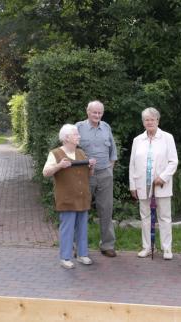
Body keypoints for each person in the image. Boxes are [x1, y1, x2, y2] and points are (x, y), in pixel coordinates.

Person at [43, 124, 96, 269]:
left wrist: (92, 167)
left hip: (82, 196)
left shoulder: (81, 153)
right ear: (67, 138)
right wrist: (59, 166)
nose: (79, 136)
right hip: (66, 198)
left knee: (82, 227)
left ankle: (82, 254)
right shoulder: (55, 153)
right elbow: (46, 172)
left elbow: (88, 175)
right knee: (67, 228)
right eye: (76, 134)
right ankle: (65, 257)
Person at [129, 107, 178, 260]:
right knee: (145, 216)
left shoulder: (167, 138)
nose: (149, 122)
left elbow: (173, 161)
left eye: (152, 119)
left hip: (161, 185)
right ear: (143, 122)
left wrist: (163, 177)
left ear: (158, 120)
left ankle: (167, 248)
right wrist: (132, 185)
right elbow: (132, 164)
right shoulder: (138, 140)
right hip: (142, 184)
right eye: (146, 120)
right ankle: (147, 247)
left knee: (164, 217)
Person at [76, 100, 118, 257]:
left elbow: (113, 151)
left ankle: (107, 245)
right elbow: (71, 150)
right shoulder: (79, 128)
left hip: (105, 174)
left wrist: (110, 169)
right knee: (81, 209)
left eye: (100, 113)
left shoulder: (106, 127)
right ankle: (77, 245)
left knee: (106, 209)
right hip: (85, 176)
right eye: (94, 112)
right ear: (88, 112)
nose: (97, 115)